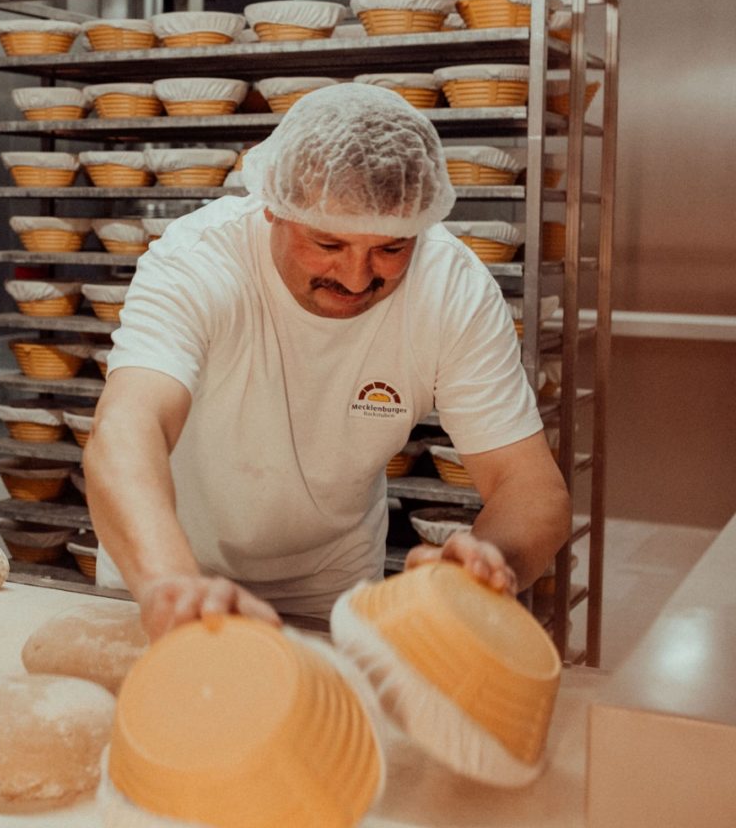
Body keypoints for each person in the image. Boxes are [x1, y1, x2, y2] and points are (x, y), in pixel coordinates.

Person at [84, 82, 571, 640]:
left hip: (328, 590)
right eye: (329, 244)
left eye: (391, 248)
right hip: (164, 570)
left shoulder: (451, 289)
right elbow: (126, 426)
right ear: (273, 208)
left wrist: (486, 562)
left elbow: (532, 488)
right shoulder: (196, 262)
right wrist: (169, 581)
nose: (357, 277)